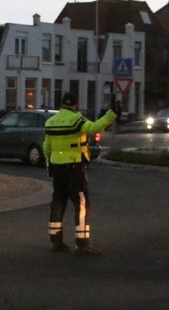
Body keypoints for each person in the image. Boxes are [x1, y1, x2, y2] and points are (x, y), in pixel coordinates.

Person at [44, 92, 119, 256]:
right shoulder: (77, 120)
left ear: (62, 104)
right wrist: (111, 114)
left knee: (58, 202)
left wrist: (49, 164)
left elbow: (46, 146)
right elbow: (94, 128)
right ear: (75, 105)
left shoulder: (50, 122)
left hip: (57, 167)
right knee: (82, 205)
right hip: (73, 167)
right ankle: (83, 244)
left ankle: (55, 242)